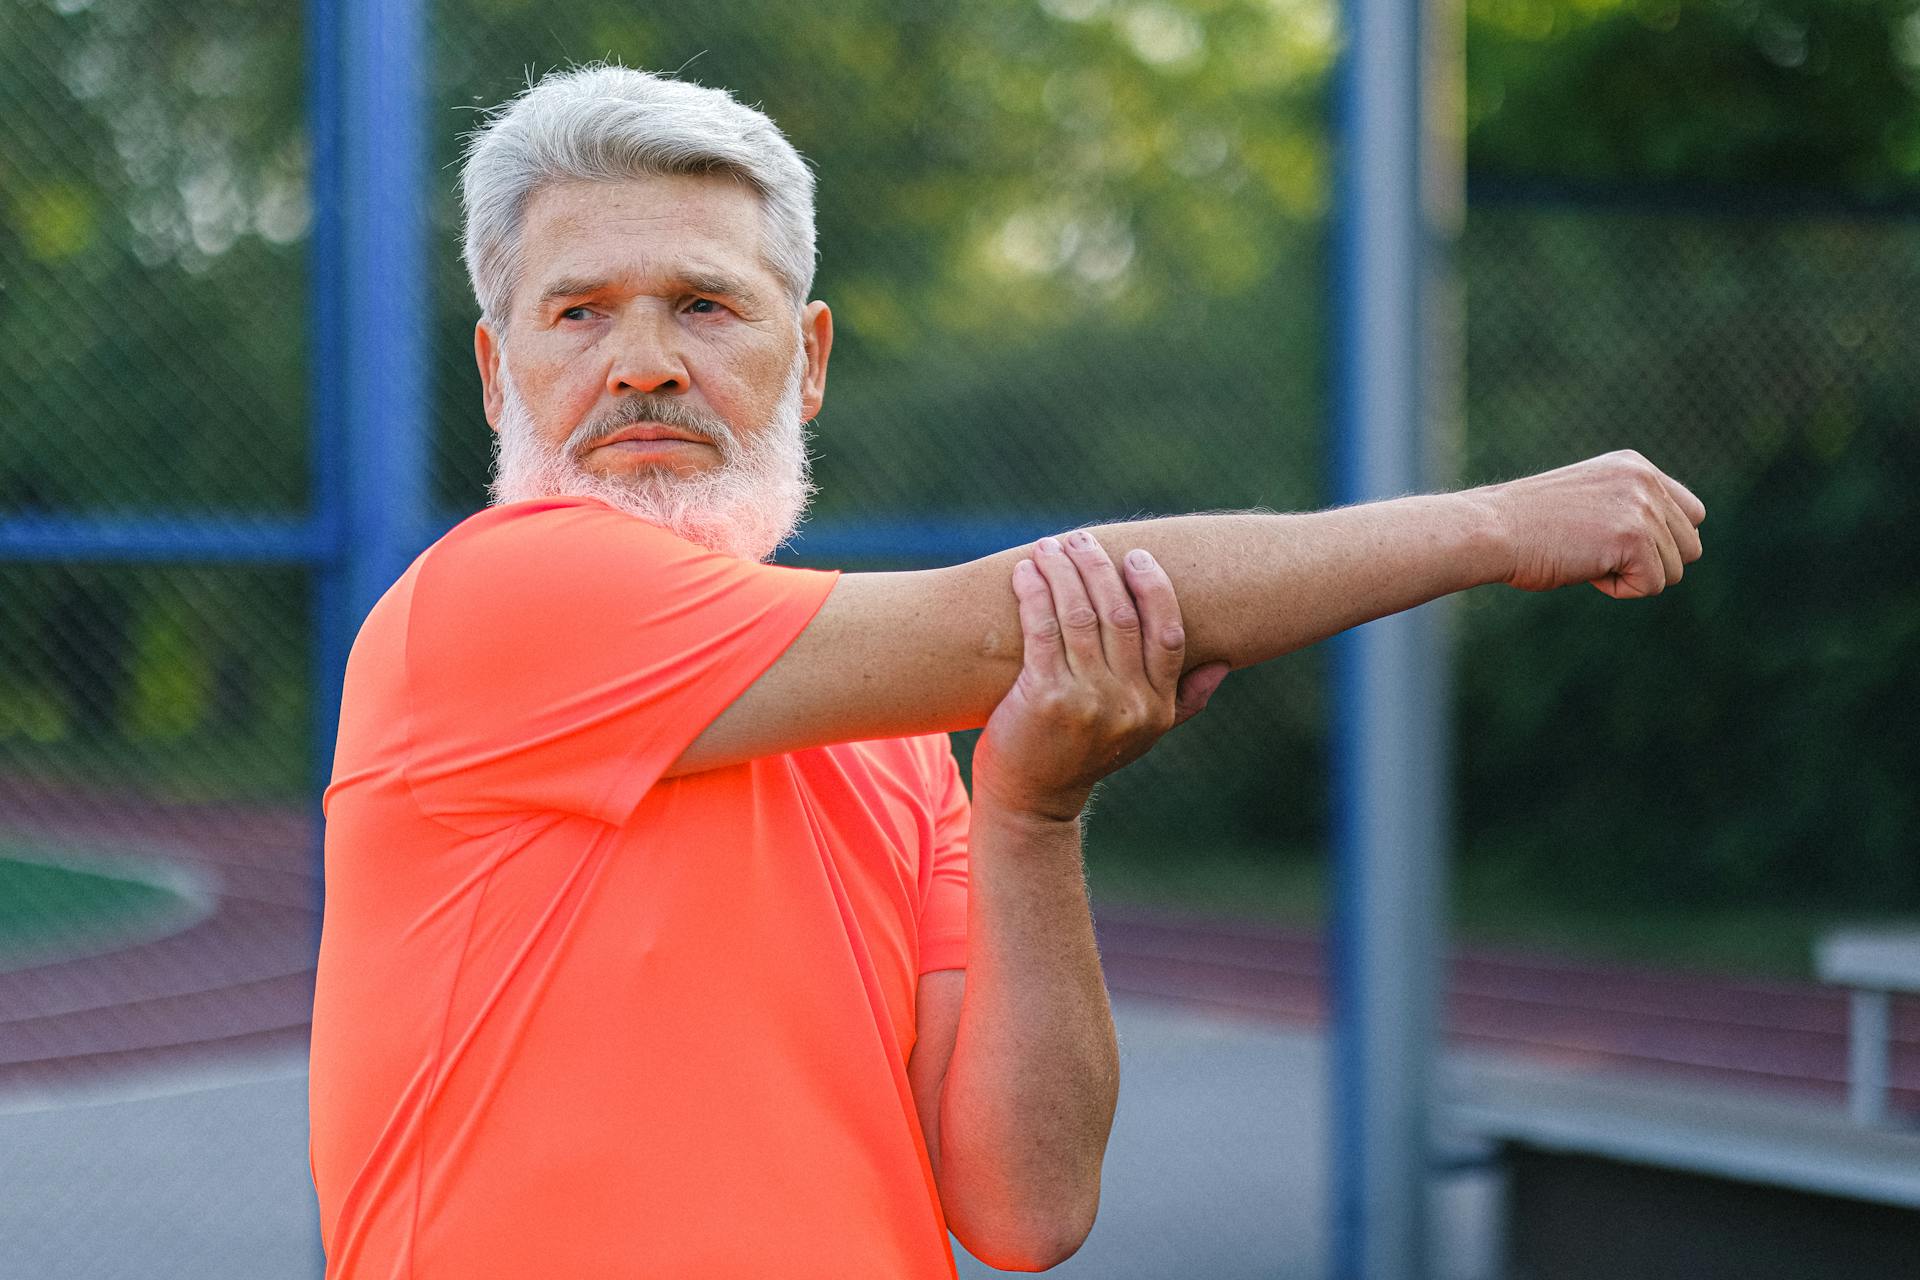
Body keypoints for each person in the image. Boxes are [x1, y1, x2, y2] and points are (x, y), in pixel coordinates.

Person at [307, 64, 1706, 1279]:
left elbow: (1028, 1210)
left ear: (808, 361)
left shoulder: (901, 733)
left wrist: (1032, 817)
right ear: (497, 374)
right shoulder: (496, 600)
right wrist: (1495, 524)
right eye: (580, 315)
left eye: (704, 305)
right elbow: (1022, 620)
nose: (646, 365)